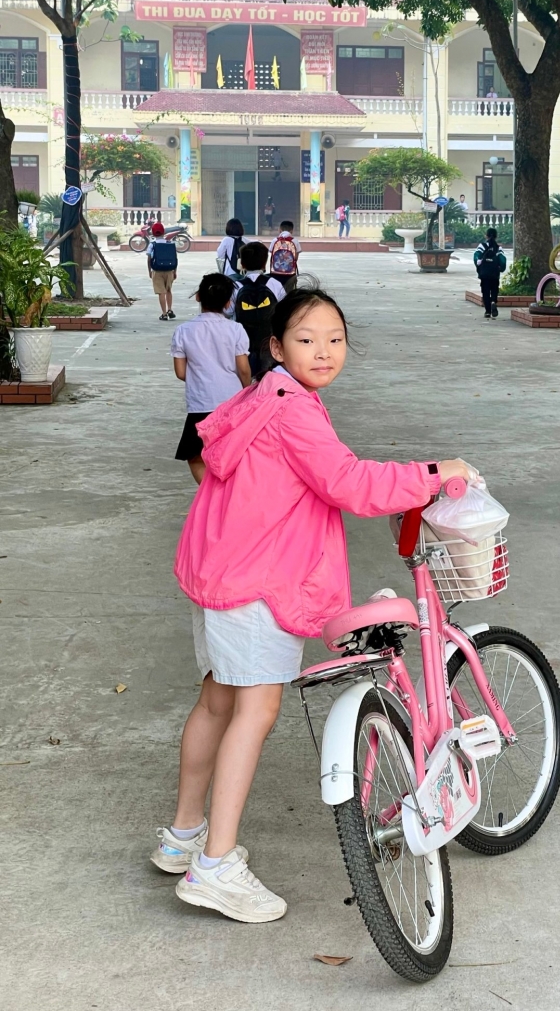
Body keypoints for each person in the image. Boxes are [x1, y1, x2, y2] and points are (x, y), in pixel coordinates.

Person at [154, 285, 477, 923]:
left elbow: (213, 465)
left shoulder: (261, 395)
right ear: (275, 346)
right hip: (258, 580)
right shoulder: (295, 410)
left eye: (335, 338)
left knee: (217, 699)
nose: (323, 351)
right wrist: (436, 472)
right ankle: (215, 867)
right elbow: (348, 482)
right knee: (256, 707)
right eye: (306, 340)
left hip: (221, 569)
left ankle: (184, 835)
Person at [170, 274, 251, 485]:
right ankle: (230, 493)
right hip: (232, 400)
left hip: (200, 402)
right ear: (228, 303)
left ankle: (210, 494)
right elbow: (243, 369)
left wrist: (202, 376)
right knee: (232, 452)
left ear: (198, 297)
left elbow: (180, 372)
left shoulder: (183, 331)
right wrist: (247, 390)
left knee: (195, 455)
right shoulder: (236, 329)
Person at [233, 241, 286, 377]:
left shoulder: (236, 286)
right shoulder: (274, 284)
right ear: (264, 264)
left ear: (242, 264)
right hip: (268, 340)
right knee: (267, 377)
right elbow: (285, 310)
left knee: (244, 377)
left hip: (242, 341)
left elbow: (229, 312)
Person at [147, 221, 178, 321]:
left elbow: (149, 259)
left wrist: (149, 271)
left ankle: (164, 314)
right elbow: (175, 258)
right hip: (169, 270)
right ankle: (170, 310)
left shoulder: (152, 245)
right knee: (169, 290)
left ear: (153, 233)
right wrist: (175, 271)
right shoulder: (170, 243)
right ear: (163, 232)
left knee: (161, 292)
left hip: (157, 270)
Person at [474, 227, 507, 320]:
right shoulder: (498, 247)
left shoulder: (482, 246)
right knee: (494, 289)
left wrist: (479, 268)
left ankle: (488, 311)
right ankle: (493, 301)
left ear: (486, 235)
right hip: (494, 274)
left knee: (485, 291)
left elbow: (476, 257)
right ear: (496, 236)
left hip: (484, 274)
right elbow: (503, 261)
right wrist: (501, 269)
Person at [268, 220, 301, 293]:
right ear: (292, 231)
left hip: (275, 272)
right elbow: (296, 258)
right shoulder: (295, 241)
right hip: (290, 273)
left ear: (280, 229)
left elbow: (271, 253)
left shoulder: (275, 240)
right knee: (289, 293)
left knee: (276, 292)